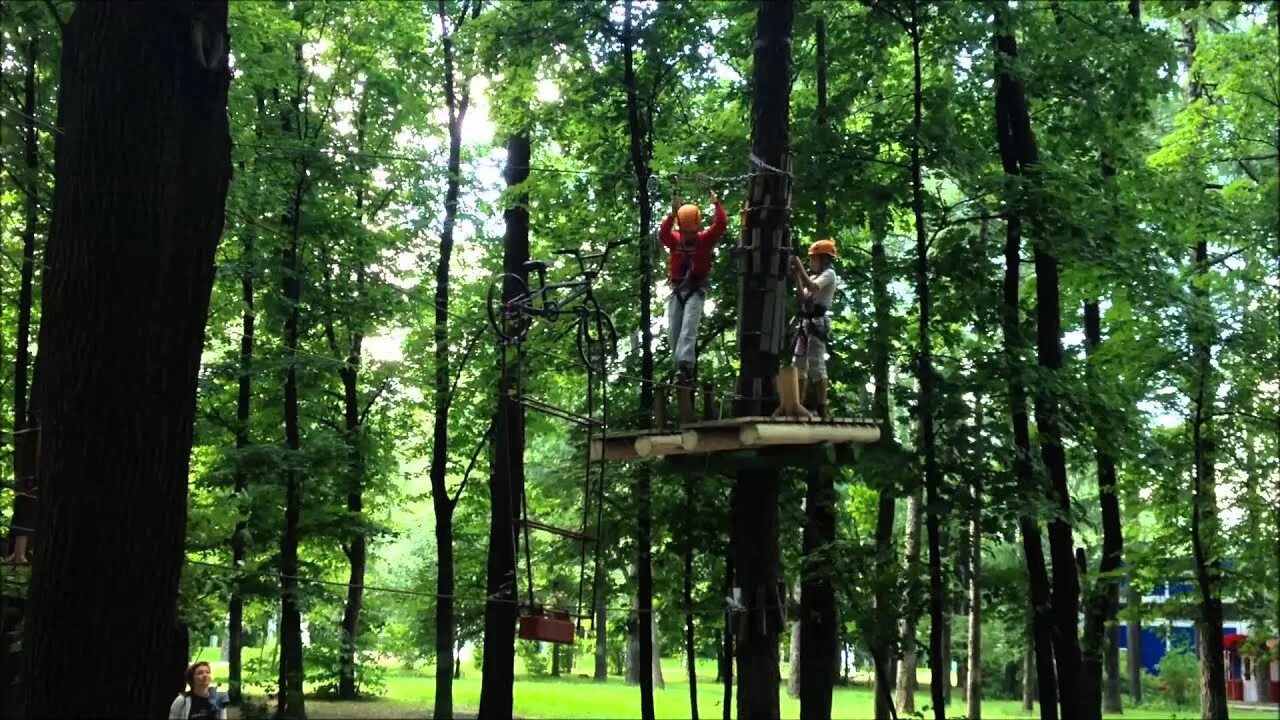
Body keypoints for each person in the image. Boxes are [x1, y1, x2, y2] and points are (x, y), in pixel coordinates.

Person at [659, 190, 728, 385]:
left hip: (696, 291)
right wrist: (672, 214)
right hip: (677, 290)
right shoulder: (674, 240)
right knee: (674, 331)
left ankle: (685, 366)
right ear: (680, 228)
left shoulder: (704, 240)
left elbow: (721, 224)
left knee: (689, 327)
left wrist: (716, 203)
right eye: (685, 231)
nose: (688, 235)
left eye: (691, 231)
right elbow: (663, 234)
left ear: (697, 228)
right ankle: (679, 370)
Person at [790, 238, 838, 417]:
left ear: (823, 259)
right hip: (807, 322)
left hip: (818, 322)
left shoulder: (829, 274)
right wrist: (797, 275)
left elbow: (812, 287)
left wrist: (799, 265)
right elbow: (803, 297)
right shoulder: (814, 275)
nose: (811, 262)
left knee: (816, 364)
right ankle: (798, 403)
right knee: (798, 363)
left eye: (813, 259)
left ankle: (821, 406)